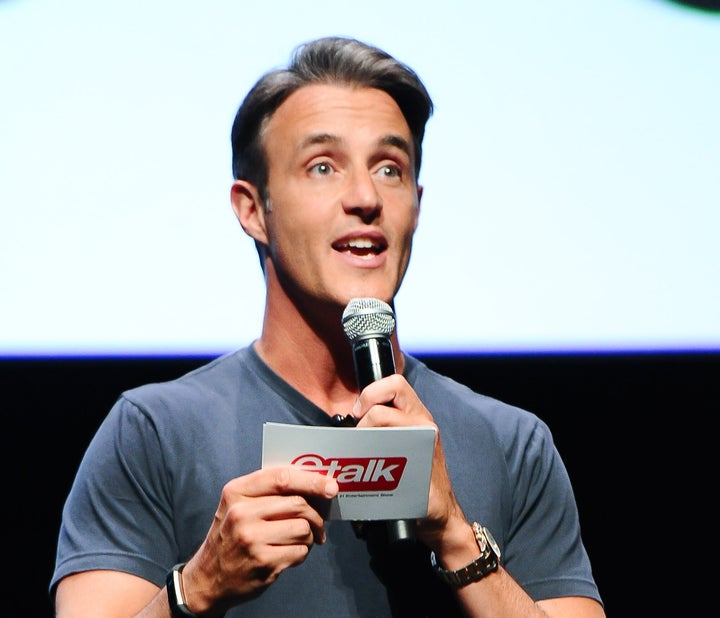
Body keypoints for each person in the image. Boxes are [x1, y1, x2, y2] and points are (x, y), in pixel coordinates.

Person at [50, 36, 606, 617]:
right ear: (252, 209)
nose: (366, 198)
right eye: (322, 167)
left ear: (416, 203)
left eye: (390, 169)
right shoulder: (154, 434)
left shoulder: (511, 443)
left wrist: (457, 537)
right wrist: (198, 587)